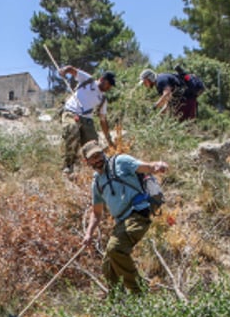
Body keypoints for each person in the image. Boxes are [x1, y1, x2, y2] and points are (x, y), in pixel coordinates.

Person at [80, 141, 169, 295]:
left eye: (98, 154)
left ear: (103, 152)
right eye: (93, 157)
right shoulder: (97, 183)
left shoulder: (120, 162)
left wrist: (157, 166)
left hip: (138, 214)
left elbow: (146, 167)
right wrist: (88, 233)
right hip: (121, 222)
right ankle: (117, 303)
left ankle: (140, 294)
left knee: (115, 249)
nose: (97, 159)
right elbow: (97, 212)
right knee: (108, 264)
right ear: (86, 161)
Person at [59, 65, 116, 173]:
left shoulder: (103, 99)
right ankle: (68, 165)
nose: (109, 88)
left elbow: (103, 120)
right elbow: (72, 69)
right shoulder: (88, 80)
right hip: (71, 113)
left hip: (87, 120)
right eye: (109, 84)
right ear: (103, 80)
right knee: (72, 129)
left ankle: (94, 169)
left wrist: (108, 139)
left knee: (93, 144)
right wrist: (64, 71)